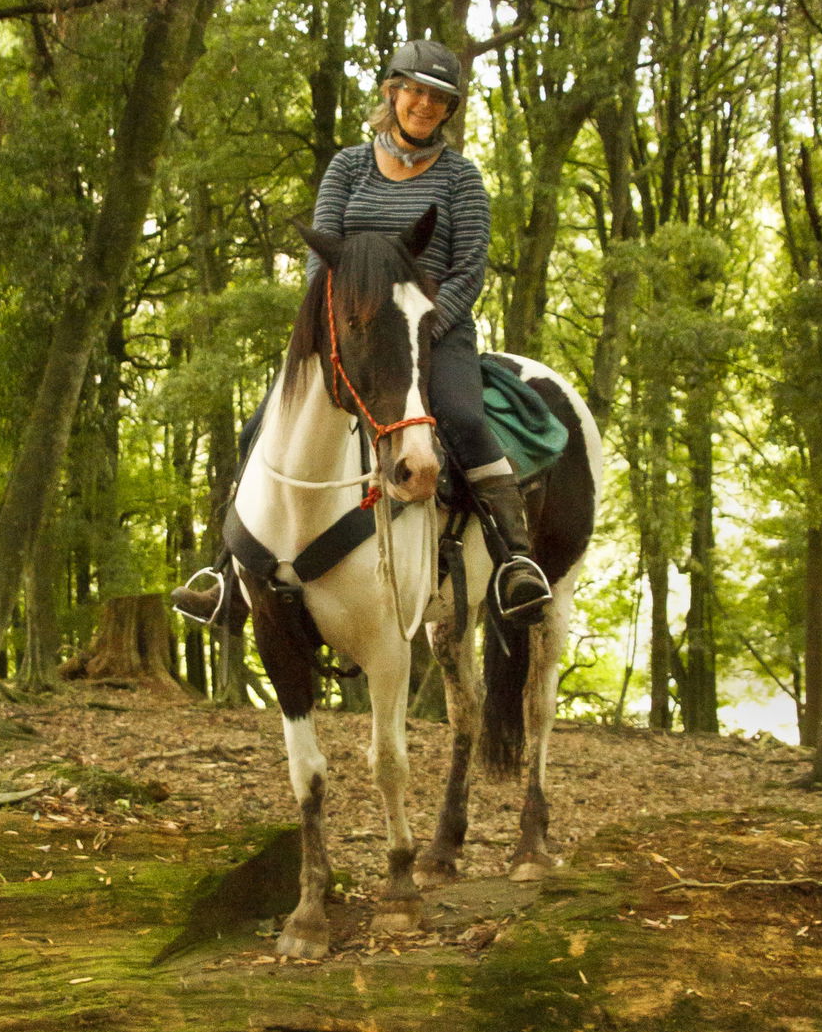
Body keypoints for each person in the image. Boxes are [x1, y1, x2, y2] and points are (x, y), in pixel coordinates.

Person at [172, 38, 552, 626]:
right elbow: (321, 259)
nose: (425, 105)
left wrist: (418, 334)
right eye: (415, 92)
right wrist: (339, 328)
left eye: (438, 98)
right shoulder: (348, 167)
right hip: (349, 333)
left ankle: (514, 563)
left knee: (467, 418)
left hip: (432, 332)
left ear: (449, 110)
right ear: (392, 93)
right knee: (261, 425)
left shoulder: (460, 179)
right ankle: (226, 572)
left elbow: (469, 267)